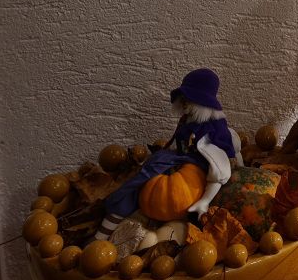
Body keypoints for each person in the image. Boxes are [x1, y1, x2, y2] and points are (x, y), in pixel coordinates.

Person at [96, 69, 242, 239]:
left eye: (190, 100)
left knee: (139, 183)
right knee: (138, 181)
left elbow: (220, 170)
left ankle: (107, 229)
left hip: (192, 172)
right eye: (184, 99)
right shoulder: (188, 120)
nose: (185, 104)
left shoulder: (211, 132)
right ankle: (103, 232)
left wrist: (205, 201)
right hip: (175, 160)